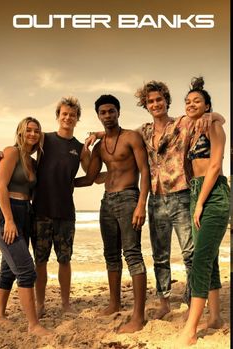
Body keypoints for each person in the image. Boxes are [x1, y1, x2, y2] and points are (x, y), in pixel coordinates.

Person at [86, 81, 225, 320]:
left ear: (166, 101)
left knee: (190, 253)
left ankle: (193, 300)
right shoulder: (144, 131)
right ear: (145, 105)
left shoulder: (183, 122)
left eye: (159, 100)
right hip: (156, 198)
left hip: (181, 195)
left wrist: (214, 116)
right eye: (150, 101)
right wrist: (99, 134)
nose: (155, 104)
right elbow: (120, 133)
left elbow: (217, 119)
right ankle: (164, 302)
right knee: (160, 256)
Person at [74, 94, 150, 333]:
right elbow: (90, 178)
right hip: (107, 201)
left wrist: (141, 205)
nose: (107, 115)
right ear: (98, 116)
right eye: (103, 112)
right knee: (110, 254)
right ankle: (114, 303)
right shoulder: (99, 147)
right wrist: (61, 182)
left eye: (111, 111)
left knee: (132, 254)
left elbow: (145, 172)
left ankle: (138, 316)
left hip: (129, 198)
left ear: (118, 112)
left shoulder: (131, 137)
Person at [31, 97, 103, 318]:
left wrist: (106, 170)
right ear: (58, 116)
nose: (68, 118)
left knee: (65, 260)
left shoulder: (80, 149)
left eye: (72, 115)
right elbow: (21, 150)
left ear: (77, 119)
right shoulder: (44, 139)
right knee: (40, 261)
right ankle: (40, 304)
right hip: (40, 212)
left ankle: (65, 304)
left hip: (66, 213)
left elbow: (91, 176)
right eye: (64, 114)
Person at [177, 77, 230, 346]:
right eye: (187, 101)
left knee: (199, 260)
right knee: (207, 258)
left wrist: (199, 202)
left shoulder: (213, 125)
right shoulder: (192, 128)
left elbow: (215, 165)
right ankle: (216, 318)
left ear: (207, 105)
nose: (191, 104)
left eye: (197, 101)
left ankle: (191, 328)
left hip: (214, 194)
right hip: (197, 192)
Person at [0, 117, 50, 336]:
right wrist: (8, 219)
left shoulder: (33, 161)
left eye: (37, 131)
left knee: (9, 268)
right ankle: (33, 325)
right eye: (28, 130)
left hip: (25, 212)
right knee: (27, 270)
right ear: (21, 131)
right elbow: (0, 185)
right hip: (6, 211)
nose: (33, 134)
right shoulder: (11, 152)